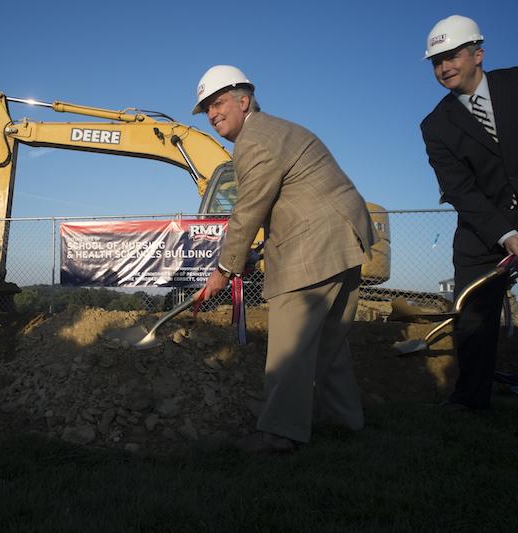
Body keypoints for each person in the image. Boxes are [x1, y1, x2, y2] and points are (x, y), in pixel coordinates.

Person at [192, 65, 377, 453]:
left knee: (289, 346)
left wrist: (225, 269)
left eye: (219, 102)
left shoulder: (254, 140)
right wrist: (252, 253)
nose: (212, 114)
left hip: (316, 244)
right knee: (329, 341)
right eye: (207, 108)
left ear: (244, 101)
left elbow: (249, 210)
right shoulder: (277, 130)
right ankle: (346, 420)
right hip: (345, 237)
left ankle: (279, 432)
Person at [420, 15, 518, 410]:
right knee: (474, 316)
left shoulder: (514, 85)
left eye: (452, 56)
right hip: (483, 230)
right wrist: (507, 236)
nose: (444, 67)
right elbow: (460, 189)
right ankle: (471, 398)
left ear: (478, 54)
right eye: (436, 61)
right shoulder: (435, 125)